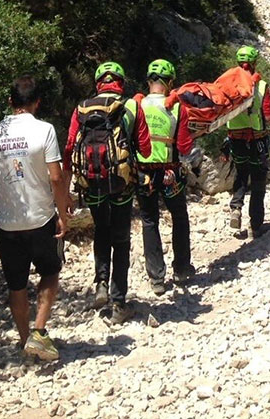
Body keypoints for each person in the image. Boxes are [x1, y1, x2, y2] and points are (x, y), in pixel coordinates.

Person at [0, 75, 70, 360]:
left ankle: (24, 342)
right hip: (40, 218)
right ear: (37, 102)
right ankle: (39, 332)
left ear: (10, 101)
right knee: (50, 272)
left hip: (7, 222)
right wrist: (63, 213)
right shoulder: (44, 130)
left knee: (16, 284)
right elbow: (56, 177)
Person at [64, 61, 151, 324]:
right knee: (121, 239)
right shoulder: (131, 106)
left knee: (101, 229)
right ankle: (119, 302)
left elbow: (69, 148)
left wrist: (66, 188)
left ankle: (101, 282)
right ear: (121, 83)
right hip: (120, 183)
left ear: (98, 83)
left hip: (91, 183)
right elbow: (146, 149)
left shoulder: (81, 109)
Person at [135, 59, 201, 295]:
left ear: (149, 81)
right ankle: (182, 269)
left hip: (143, 173)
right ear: (170, 81)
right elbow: (184, 145)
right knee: (179, 216)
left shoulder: (136, 105)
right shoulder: (177, 107)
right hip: (170, 172)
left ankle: (156, 278)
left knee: (149, 220)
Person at [227, 46, 270, 239]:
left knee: (241, 173)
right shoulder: (260, 86)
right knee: (258, 180)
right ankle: (256, 224)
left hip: (235, 139)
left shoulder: (229, 85)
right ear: (254, 63)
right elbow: (268, 116)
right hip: (257, 139)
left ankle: (236, 208)